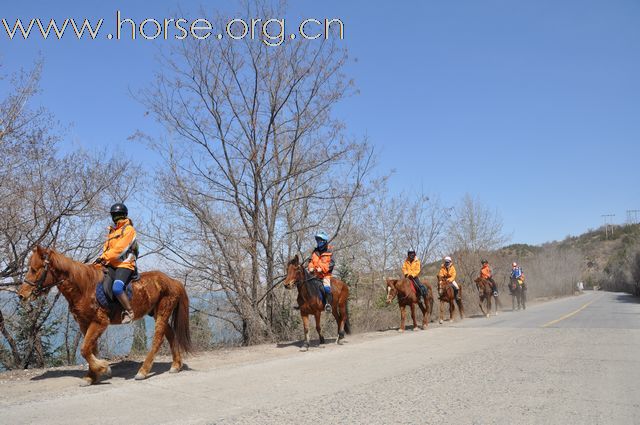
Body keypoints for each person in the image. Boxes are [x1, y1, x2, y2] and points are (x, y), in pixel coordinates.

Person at [95, 203, 138, 324]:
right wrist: (99, 262)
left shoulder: (129, 230)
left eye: (119, 215)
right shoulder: (112, 232)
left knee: (117, 288)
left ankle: (129, 312)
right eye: (115, 215)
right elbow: (106, 249)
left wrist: (104, 257)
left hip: (125, 264)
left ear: (124, 215)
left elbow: (120, 249)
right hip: (112, 265)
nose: (117, 218)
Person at [308, 231, 335, 312]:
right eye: (317, 241)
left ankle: (328, 305)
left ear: (324, 241)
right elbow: (310, 262)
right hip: (315, 275)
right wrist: (310, 268)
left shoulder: (329, 252)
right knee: (305, 285)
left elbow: (331, 264)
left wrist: (322, 269)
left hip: (325, 275)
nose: (318, 243)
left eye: (320, 241)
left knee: (326, 288)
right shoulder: (315, 252)